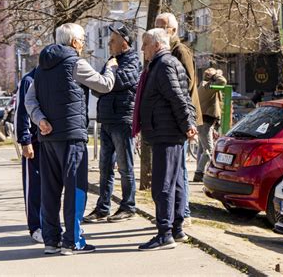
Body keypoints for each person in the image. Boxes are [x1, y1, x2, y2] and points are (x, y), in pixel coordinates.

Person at [25, 23, 115, 256]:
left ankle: (51, 241)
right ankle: (72, 241)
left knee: (50, 190)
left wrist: (39, 119)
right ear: (74, 42)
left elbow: (29, 99)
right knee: (75, 188)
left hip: (47, 138)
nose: (84, 44)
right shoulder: (75, 62)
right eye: (83, 39)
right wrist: (111, 68)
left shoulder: (42, 67)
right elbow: (104, 85)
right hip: (72, 137)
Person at [136, 28, 196, 251]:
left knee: (163, 185)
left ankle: (164, 234)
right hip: (166, 132)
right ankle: (176, 229)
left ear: (156, 44)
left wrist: (187, 124)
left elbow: (178, 98)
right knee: (174, 183)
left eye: (145, 44)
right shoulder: (162, 64)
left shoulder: (164, 65)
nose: (142, 49)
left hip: (166, 133)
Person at [83, 24, 140, 223]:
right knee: (105, 166)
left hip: (122, 119)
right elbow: (98, 87)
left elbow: (117, 82)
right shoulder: (111, 61)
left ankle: (128, 206)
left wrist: (109, 78)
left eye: (113, 40)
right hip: (106, 119)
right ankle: (103, 207)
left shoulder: (132, 60)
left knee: (125, 166)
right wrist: (107, 79)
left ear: (124, 42)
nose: (109, 43)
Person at [155, 12, 202, 226]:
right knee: (174, 168)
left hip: (182, 119)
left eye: (162, 27)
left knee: (180, 167)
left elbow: (188, 84)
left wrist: (185, 118)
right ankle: (176, 213)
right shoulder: (162, 52)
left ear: (172, 30)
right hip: (174, 118)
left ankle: (184, 213)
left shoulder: (179, 51)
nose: (158, 30)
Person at [14, 67, 43, 243]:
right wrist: (25, 140)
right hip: (33, 141)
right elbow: (22, 113)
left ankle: (47, 223)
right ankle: (35, 227)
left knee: (48, 186)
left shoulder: (51, 77)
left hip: (48, 140)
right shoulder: (28, 80)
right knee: (34, 186)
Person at [194, 67, 227, 182]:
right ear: (211, 78)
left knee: (202, 149)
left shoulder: (204, 86)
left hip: (204, 121)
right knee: (209, 150)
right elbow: (223, 81)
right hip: (205, 122)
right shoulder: (207, 86)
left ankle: (199, 172)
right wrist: (217, 74)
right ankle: (199, 173)